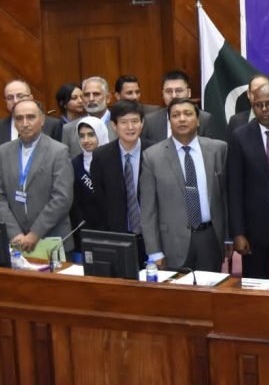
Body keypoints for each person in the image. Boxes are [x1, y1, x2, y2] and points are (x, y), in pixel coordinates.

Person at [140, 98, 228, 271]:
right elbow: (148, 210)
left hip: (210, 238)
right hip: (171, 242)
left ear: (198, 120)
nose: (182, 119)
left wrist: (228, 237)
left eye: (187, 114)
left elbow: (226, 198)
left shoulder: (218, 150)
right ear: (169, 121)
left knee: (210, 288)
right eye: (176, 115)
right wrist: (154, 251)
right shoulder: (152, 156)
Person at [0, 99, 75, 253]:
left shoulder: (59, 151)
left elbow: (62, 198)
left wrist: (35, 233)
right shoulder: (2, 152)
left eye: (30, 117)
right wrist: (14, 233)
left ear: (42, 120)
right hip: (15, 240)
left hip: (51, 239)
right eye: (19, 118)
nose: (25, 123)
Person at [227, 83, 269, 278]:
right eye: (258, 105)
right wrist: (238, 233)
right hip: (254, 232)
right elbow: (234, 188)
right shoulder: (240, 136)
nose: (264, 109)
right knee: (254, 288)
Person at [89, 100, 154, 265]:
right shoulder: (101, 156)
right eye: (124, 122)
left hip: (152, 237)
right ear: (114, 125)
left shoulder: (155, 152)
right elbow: (99, 201)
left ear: (142, 123)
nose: (130, 127)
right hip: (118, 238)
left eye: (135, 121)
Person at [142, 70, 224, 142]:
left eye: (179, 90)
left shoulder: (204, 119)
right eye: (169, 91)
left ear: (189, 93)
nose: (174, 96)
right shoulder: (150, 121)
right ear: (162, 94)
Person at [69, 116, 109, 248]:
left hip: (112, 230)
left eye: (91, 135)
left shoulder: (114, 160)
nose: (86, 140)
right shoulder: (75, 164)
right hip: (85, 230)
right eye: (82, 136)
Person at [0, 80, 64, 146]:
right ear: (6, 102)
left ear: (30, 98)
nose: (15, 101)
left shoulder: (53, 125)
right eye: (10, 98)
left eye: (20, 96)